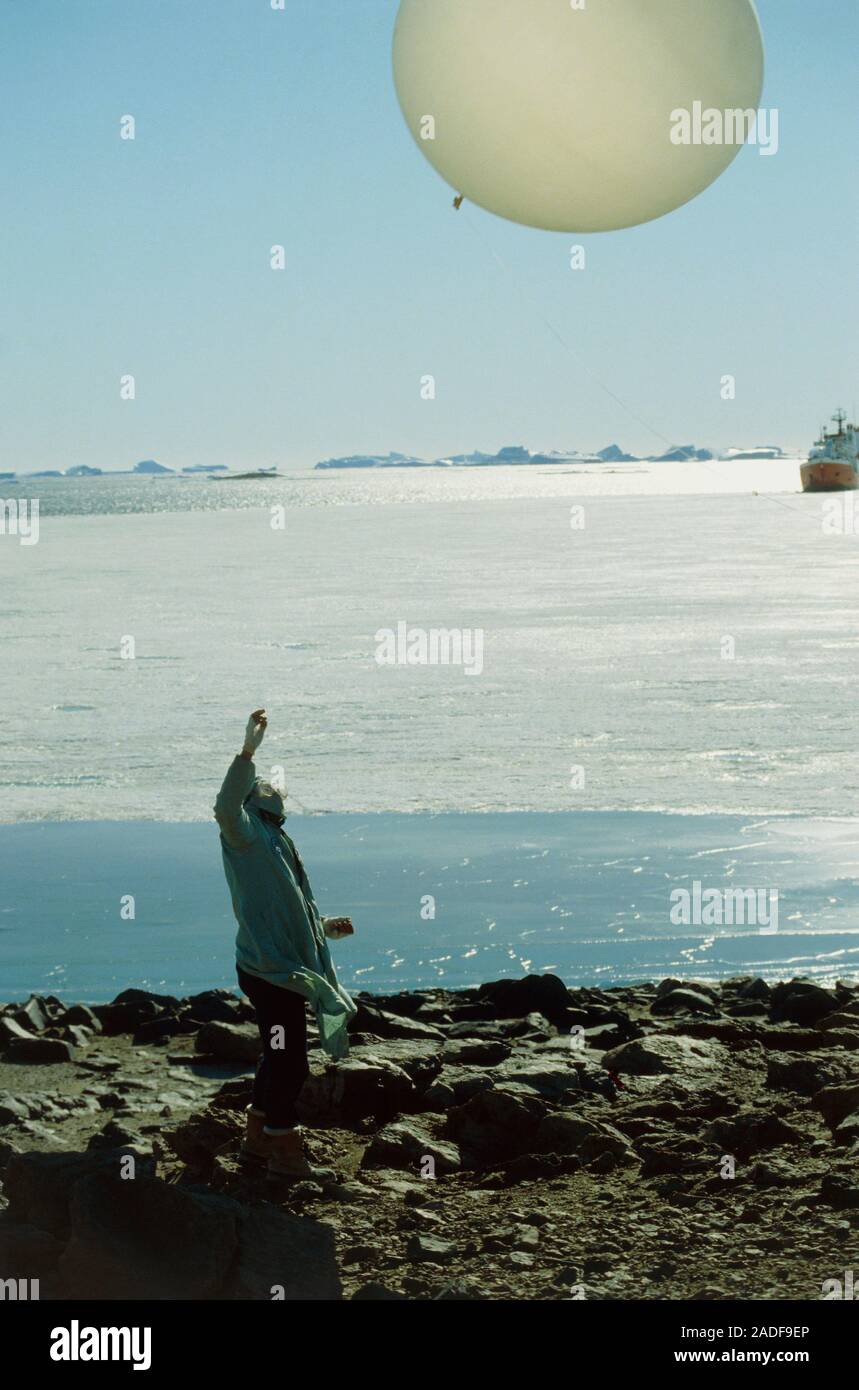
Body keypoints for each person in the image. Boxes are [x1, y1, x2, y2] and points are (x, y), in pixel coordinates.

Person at [214, 708, 356, 1179]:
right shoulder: (246, 834)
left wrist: (327, 927)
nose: (275, 788)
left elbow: (290, 906)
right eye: (264, 785)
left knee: (278, 1058)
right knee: (291, 1063)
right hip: (269, 970)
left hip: (284, 966)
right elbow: (223, 807)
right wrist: (248, 750)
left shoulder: (277, 838)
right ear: (254, 797)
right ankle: (285, 1156)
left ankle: (255, 1148)